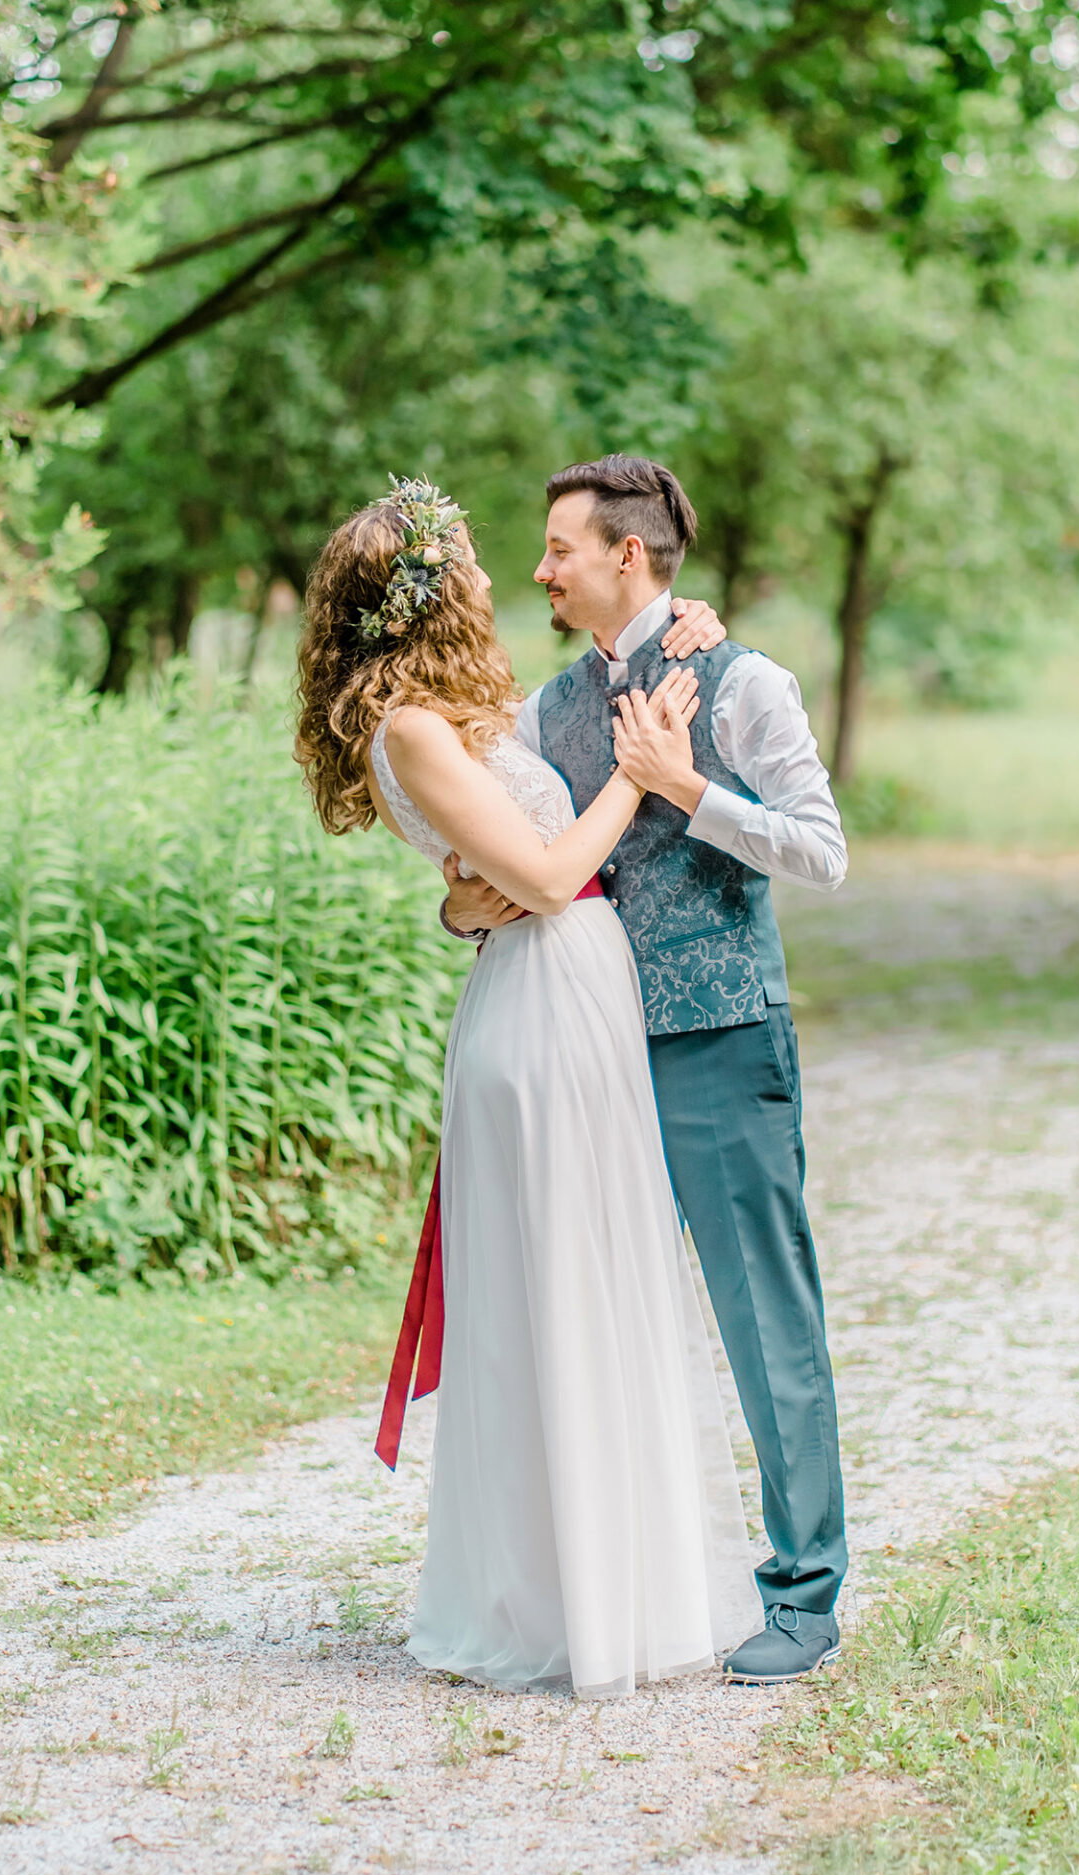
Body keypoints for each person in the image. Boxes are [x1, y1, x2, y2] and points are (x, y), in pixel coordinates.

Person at [294, 476, 762, 1698]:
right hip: (542, 1008)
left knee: (603, 1280)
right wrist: (645, 767)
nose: (500, 575)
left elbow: (516, 858)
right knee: (555, 1293)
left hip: (577, 990)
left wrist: (684, 627)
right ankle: (555, 1607)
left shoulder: (457, 711)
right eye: (470, 561)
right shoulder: (406, 730)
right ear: (426, 590)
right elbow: (550, 877)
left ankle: (623, 1583)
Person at [442, 454, 848, 1684]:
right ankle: (626, 1589)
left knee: (762, 1313)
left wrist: (689, 789)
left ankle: (804, 1595)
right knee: (597, 1317)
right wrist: (469, 911)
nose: (540, 568)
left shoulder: (747, 682)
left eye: (559, 547)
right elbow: (517, 862)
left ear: (628, 553)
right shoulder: (546, 709)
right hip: (588, 1049)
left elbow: (822, 850)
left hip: (722, 1035)